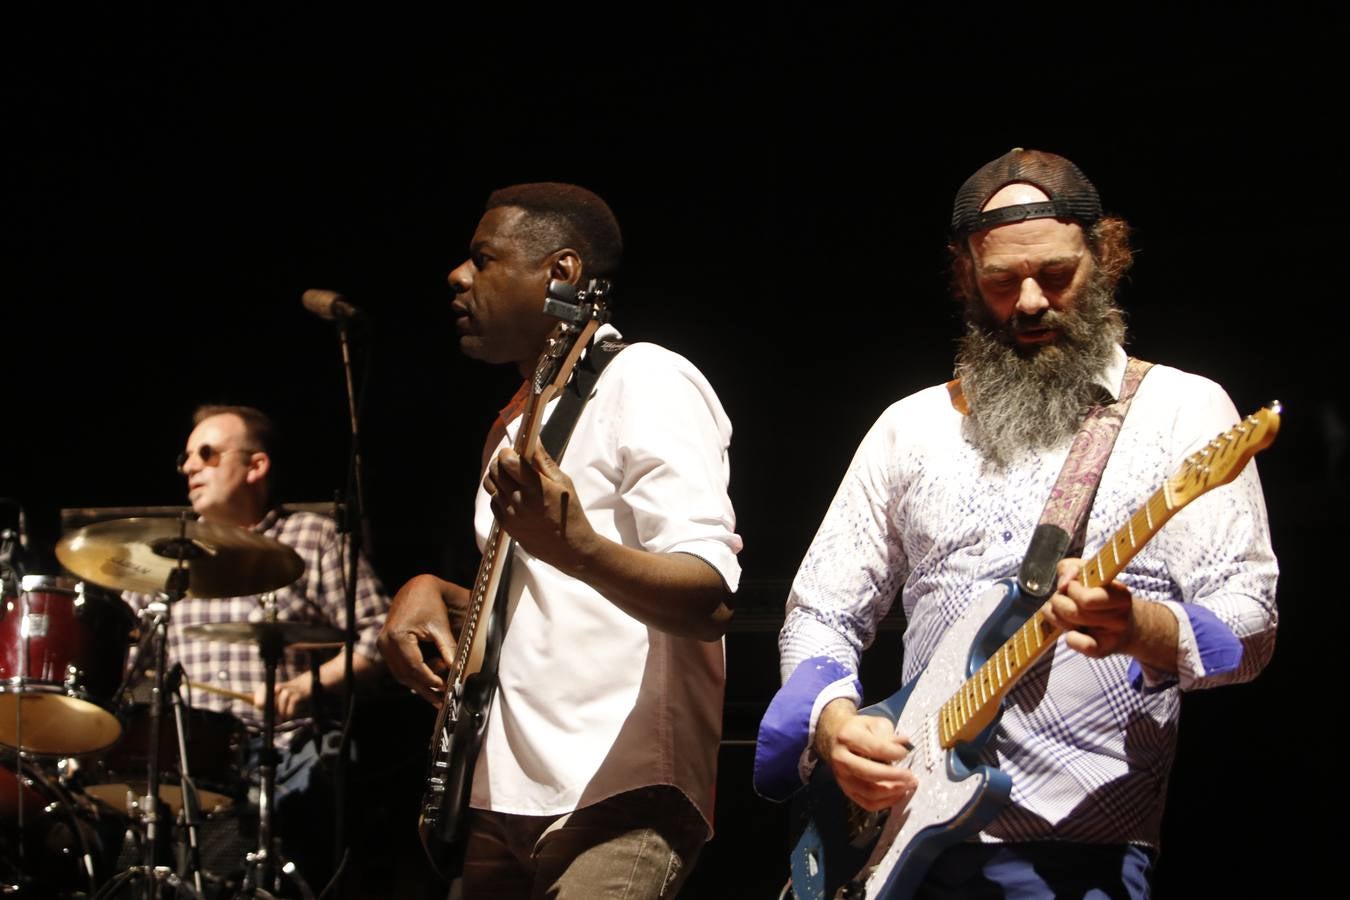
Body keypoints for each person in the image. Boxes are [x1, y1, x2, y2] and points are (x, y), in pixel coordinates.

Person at [757, 149, 1278, 897]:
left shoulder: (1182, 411)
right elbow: (821, 614)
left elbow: (1251, 624)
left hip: (1080, 853)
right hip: (895, 845)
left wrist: (1142, 627)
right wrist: (837, 725)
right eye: (1002, 281)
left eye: (1056, 275)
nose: (1030, 301)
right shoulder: (911, 427)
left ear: (1105, 257)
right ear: (966, 275)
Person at [378, 182, 741, 898]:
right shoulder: (518, 424)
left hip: (617, 795)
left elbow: (709, 596)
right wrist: (435, 594)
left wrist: (578, 549)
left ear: (562, 272)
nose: (458, 275)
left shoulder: (646, 379)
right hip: (497, 800)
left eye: (483, 259)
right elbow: (544, 599)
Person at [122, 404, 390, 891]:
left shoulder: (311, 538)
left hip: (286, 749)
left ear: (255, 465)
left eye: (206, 454)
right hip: (190, 764)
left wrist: (310, 683)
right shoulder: (168, 555)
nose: (189, 467)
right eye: (185, 457)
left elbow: (382, 635)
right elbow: (125, 658)